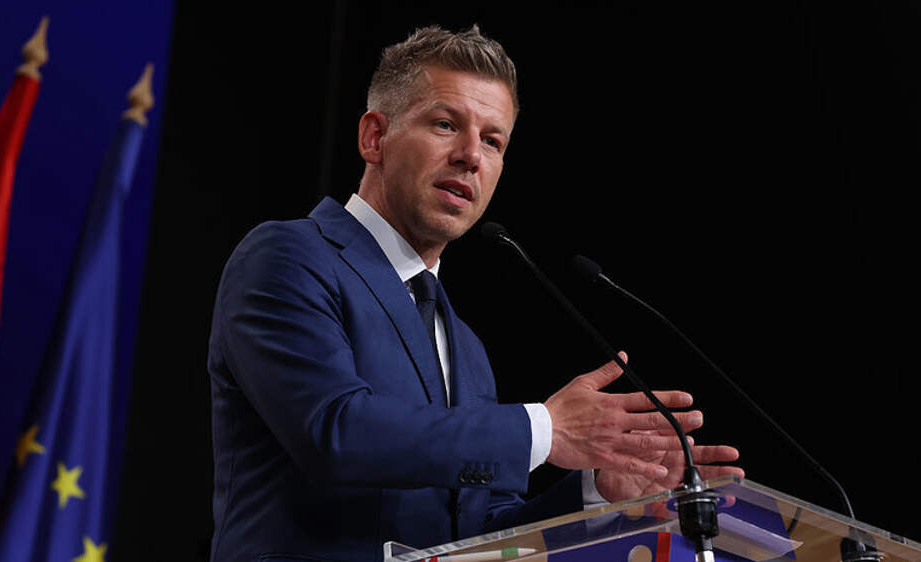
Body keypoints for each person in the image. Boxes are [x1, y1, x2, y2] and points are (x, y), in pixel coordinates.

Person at [207, 25, 742, 562]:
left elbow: (479, 537)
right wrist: (544, 429)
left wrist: (597, 493)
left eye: (493, 141)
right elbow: (335, 431)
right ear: (374, 137)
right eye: (446, 124)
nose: (471, 156)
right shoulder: (288, 257)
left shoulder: (465, 347)